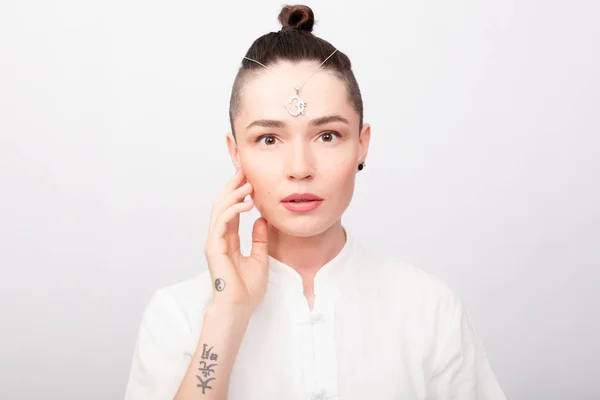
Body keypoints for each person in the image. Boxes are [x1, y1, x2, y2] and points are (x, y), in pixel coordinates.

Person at [124, 4, 507, 400]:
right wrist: (227, 315)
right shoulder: (178, 314)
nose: (300, 168)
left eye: (327, 136)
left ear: (362, 145)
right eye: (268, 139)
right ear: (236, 153)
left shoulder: (430, 310)